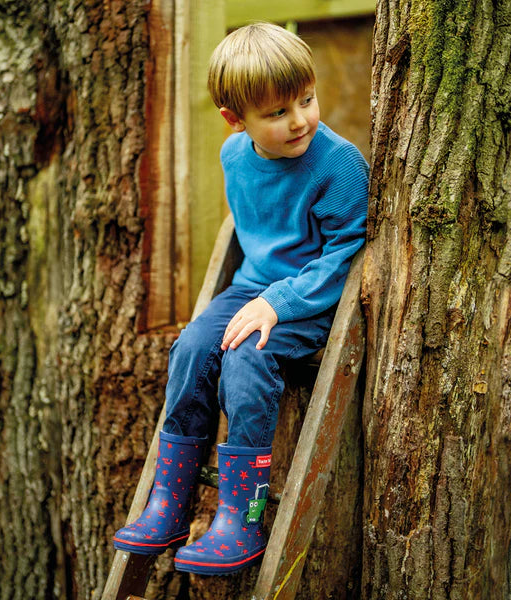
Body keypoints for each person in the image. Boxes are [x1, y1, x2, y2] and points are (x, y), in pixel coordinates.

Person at [113, 22, 369, 576]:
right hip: (251, 288)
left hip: (312, 300)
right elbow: (258, 231)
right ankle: (171, 501)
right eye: (278, 113)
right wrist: (260, 296)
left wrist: (280, 303)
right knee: (190, 349)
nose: (300, 119)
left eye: (306, 99)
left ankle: (241, 514)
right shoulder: (234, 156)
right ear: (237, 121)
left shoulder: (339, 165)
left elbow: (347, 252)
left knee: (246, 357)